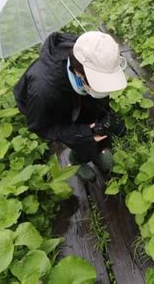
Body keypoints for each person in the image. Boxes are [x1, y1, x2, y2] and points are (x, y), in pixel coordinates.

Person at [14, 31, 128, 178]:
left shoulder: (89, 50)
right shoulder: (42, 91)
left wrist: (105, 118)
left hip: (80, 95)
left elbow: (98, 98)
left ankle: (99, 152)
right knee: (79, 138)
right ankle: (77, 161)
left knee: (99, 127)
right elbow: (41, 127)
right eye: (100, 83)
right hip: (56, 108)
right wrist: (84, 133)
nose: (105, 90)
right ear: (78, 73)